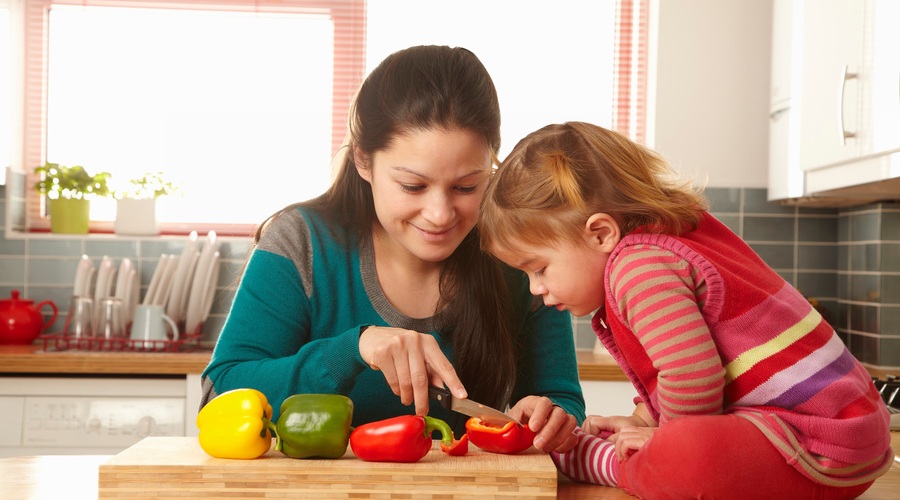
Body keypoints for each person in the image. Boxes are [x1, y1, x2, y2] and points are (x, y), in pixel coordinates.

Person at [478, 121, 895, 499]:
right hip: (839, 440)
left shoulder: (637, 267)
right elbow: (690, 365)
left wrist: (662, 440)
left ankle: (603, 463)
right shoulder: (670, 241)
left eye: (539, 268)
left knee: (686, 455)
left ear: (601, 233)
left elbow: (693, 375)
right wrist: (645, 420)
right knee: (681, 445)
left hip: (815, 444)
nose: (536, 289)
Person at [199, 45, 585, 453]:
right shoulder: (302, 243)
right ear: (364, 161)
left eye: (466, 187)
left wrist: (551, 415)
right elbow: (218, 396)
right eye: (413, 186)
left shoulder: (520, 255)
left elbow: (561, 398)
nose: (439, 214)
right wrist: (353, 349)